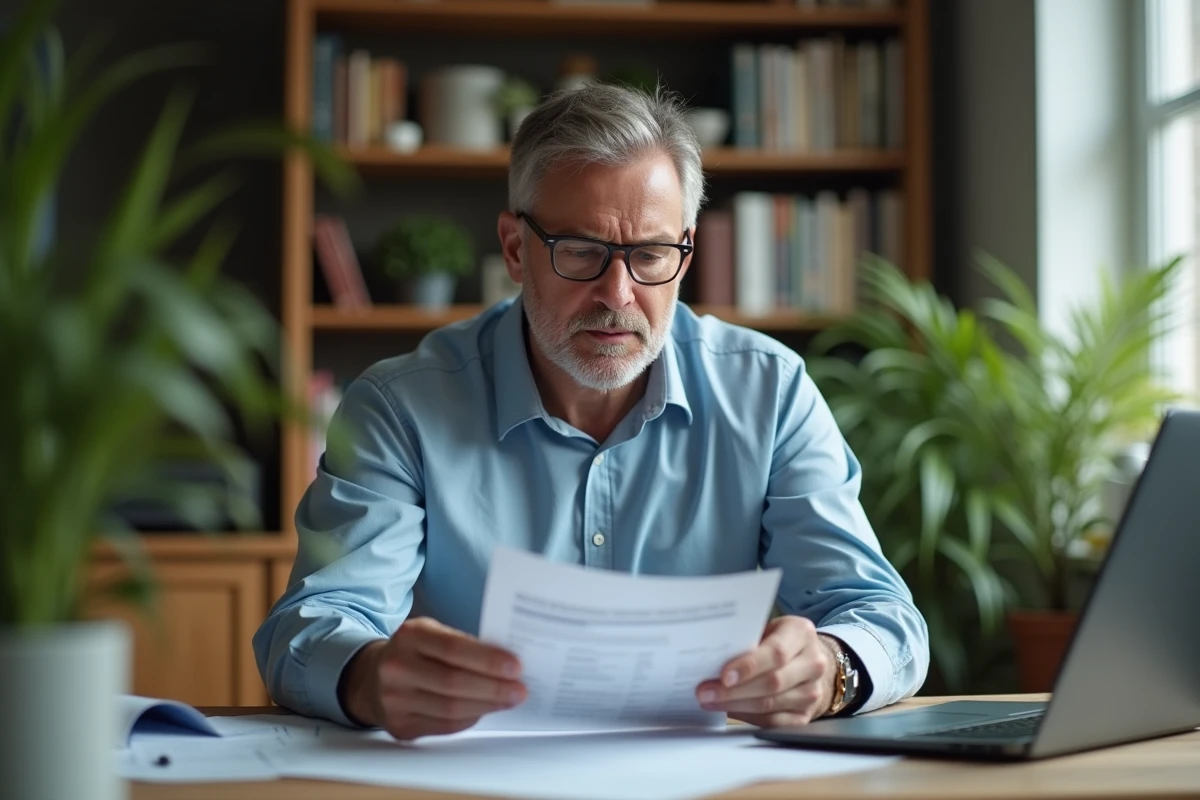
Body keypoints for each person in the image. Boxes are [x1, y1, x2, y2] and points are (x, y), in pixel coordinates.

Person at [254, 84, 929, 741]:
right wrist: (369, 676)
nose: (618, 295)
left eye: (651, 255)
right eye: (581, 252)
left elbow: (882, 617)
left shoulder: (769, 392)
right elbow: (311, 625)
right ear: (516, 249)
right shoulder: (400, 408)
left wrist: (832, 670)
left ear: (686, 251)